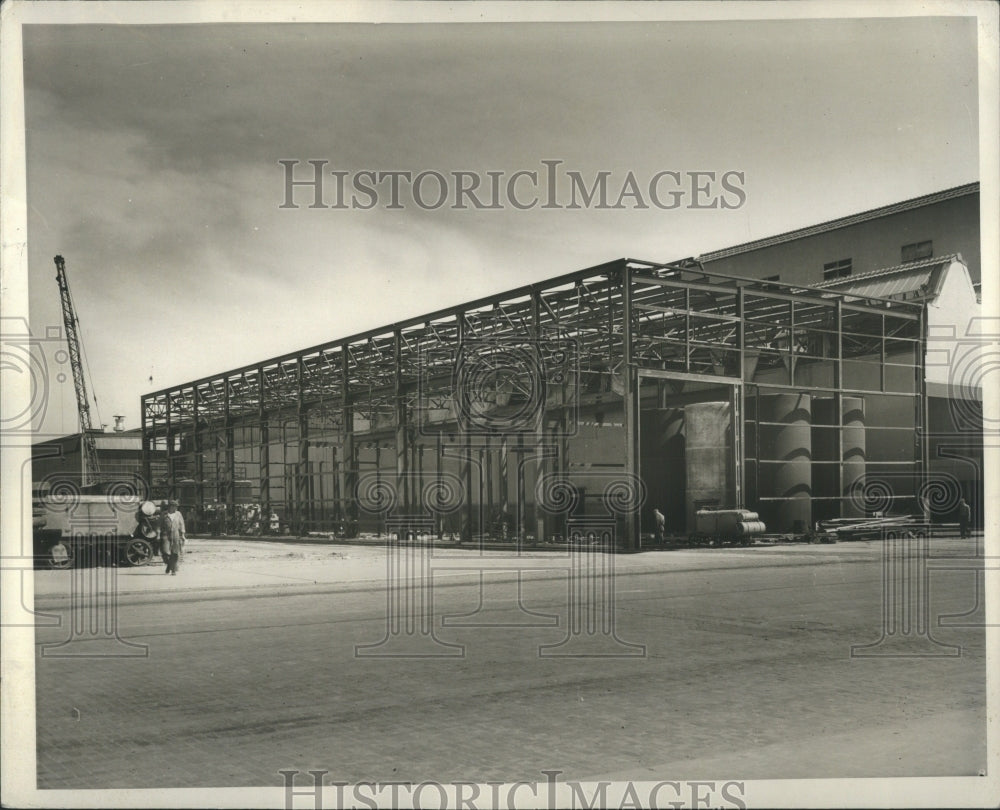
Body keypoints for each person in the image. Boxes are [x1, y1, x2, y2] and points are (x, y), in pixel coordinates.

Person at [159, 499, 187, 575]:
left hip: (176, 534)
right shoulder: (164, 514)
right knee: (165, 551)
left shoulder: (178, 514)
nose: (176, 508)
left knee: (175, 552)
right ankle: (169, 565)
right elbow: (159, 525)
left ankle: (173, 569)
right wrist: (158, 534)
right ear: (170, 507)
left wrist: (183, 535)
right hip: (165, 534)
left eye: (176, 506)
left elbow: (182, 524)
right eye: (174, 506)